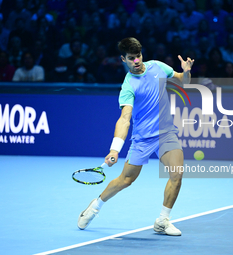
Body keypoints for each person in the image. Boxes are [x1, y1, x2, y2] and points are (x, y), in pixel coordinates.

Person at [77, 37, 194, 236]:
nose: (137, 61)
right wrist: (115, 148)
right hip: (142, 139)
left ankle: (163, 221)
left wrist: (187, 71)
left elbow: (183, 81)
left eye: (138, 56)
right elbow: (124, 119)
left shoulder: (157, 67)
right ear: (123, 59)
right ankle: (95, 205)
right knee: (125, 180)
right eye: (131, 58)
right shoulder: (128, 86)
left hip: (166, 134)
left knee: (177, 174)